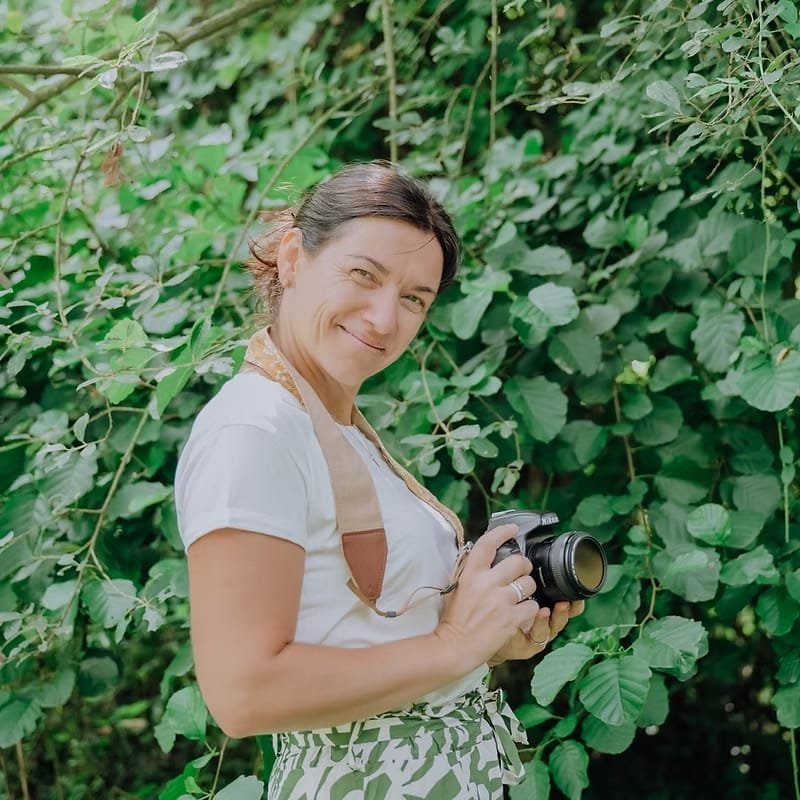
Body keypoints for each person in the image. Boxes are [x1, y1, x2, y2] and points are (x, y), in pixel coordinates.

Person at [174, 161, 583, 799]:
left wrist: (485, 640)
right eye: (363, 275)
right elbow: (243, 692)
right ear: (292, 258)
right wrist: (452, 646)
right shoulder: (255, 431)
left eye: (415, 298)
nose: (385, 318)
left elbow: (361, 635)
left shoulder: (332, 426)